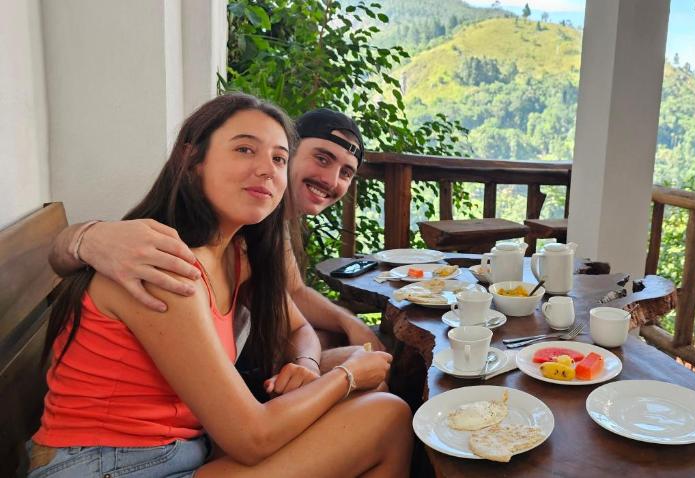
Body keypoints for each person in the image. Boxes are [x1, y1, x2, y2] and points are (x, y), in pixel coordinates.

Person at [29, 93, 412, 477]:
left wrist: (307, 365)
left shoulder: (236, 253)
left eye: (279, 158)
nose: (266, 169)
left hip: (182, 447)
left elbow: (297, 326)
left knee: (363, 377)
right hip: (109, 464)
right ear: (192, 159)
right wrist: (347, 377)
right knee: (387, 415)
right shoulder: (163, 266)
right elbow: (251, 439)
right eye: (245, 149)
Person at [49, 108, 379, 396]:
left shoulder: (255, 234)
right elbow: (249, 431)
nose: (331, 179)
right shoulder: (186, 252)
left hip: (230, 387)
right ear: (193, 160)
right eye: (322, 158)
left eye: (346, 173)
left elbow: (291, 298)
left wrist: (331, 342)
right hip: (212, 403)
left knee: (364, 367)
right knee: (372, 391)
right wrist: (85, 237)